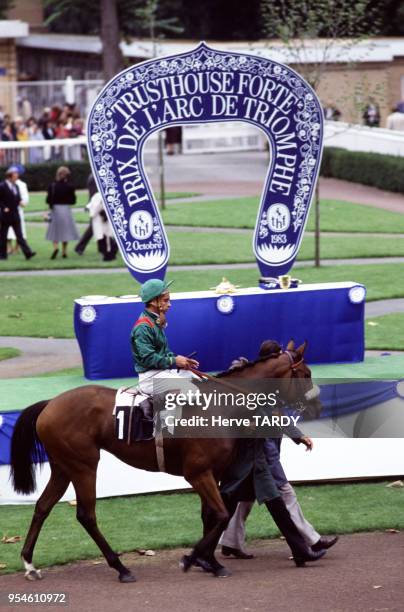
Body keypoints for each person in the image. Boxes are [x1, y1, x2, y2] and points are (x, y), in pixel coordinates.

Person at [219, 340, 338, 560]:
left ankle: (230, 542)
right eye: (280, 357)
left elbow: (280, 414)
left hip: (256, 454)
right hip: (262, 453)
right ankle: (311, 540)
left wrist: (298, 435)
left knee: (243, 500)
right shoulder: (257, 384)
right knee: (285, 494)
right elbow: (271, 416)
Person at [131, 279, 199, 396]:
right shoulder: (143, 327)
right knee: (192, 391)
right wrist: (174, 360)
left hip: (161, 372)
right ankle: (165, 415)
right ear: (153, 301)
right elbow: (148, 359)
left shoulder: (154, 320)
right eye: (166, 300)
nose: (169, 304)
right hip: (149, 379)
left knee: (198, 379)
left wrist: (180, 360)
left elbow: (163, 353)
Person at [0, 167, 36, 260]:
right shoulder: (2, 186)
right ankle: (3, 255)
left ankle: (28, 253)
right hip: (6, 215)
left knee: (20, 236)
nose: (17, 177)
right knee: (3, 236)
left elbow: (18, 198)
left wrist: (21, 202)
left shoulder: (16, 186)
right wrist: (4, 208)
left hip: (15, 214)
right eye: (15, 175)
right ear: (10, 176)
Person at [45, 166, 79, 259]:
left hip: (55, 210)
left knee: (55, 231)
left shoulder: (52, 186)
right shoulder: (70, 186)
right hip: (66, 210)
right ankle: (64, 251)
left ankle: (56, 248)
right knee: (65, 232)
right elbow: (73, 201)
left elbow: (48, 200)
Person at [86, 192, 118, 261]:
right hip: (101, 220)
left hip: (102, 220)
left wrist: (93, 214)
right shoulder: (99, 195)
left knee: (105, 238)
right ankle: (109, 254)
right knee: (105, 238)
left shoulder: (98, 196)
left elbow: (95, 208)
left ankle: (108, 255)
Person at [7, 164, 29, 254]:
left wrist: (22, 203)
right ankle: (9, 247)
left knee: (19, 231)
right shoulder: (6, 184)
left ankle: (17, 248)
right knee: (7, 230)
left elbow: (24, 198)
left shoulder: (22, 185)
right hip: (7, 211)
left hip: (18, 210)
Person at [75, 173, 96, 256]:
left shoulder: (93, 176)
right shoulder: (94, 178)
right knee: (93, 227)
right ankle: (79, 247)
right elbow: (94, 194)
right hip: (97, 205)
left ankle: (105, 248)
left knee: (97, 227)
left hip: (96, 205)